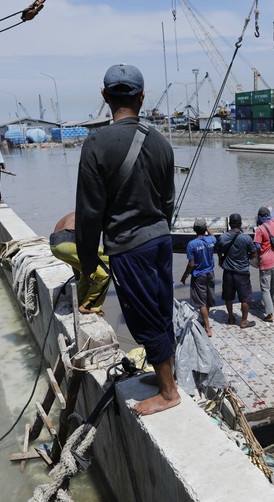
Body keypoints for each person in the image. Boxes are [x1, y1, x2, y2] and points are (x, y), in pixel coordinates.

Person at [75, 63, 178, 416]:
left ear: (104, 97)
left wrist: (88, 265)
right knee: (163, 310)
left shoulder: (95, 144)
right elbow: (168, 202)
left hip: (129, 247)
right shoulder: (162, 142)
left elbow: (89, 214)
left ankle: (168, 392)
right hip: (161, 239)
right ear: (142, 97)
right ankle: (167, 377)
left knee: (144, 318)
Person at [49, 212, 110, 315]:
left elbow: (78, 260)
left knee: (89, 270)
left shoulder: (74, 214)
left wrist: (81, 274)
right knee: (107, 271)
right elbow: (90, 241)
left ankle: (79, 300)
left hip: (55, 246)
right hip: (71, 241)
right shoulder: (96, 213)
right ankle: (89, 306)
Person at [217, 213, 256, 328]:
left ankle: (231, 318)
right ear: (240, 224)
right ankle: (244, 321)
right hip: (242, 273)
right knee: (245, 298)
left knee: (228, 297)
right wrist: (246, 259)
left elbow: (219, 251)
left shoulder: (222, 237)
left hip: (228, 272)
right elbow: (254, 253)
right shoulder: (246, 238)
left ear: (229, 224)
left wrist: (221, 260)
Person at [180, 218, 216, 337]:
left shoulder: (192, 244)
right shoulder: (211, 240)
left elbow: (191, 264)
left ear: (194, 229)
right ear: (205, 229)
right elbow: (213, 235)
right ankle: (205, 321)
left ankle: (207, 328)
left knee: (201, 302)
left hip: (199, 275)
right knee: (208, 299)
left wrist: (184, 276)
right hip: (210, 273)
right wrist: (207, 230)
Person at [253, 206, 274, 322]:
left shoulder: (259, 229)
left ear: (260, 217)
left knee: (265, 288)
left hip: (266, 262)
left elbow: (257, 246)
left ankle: (269, 314)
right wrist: (270, 209)